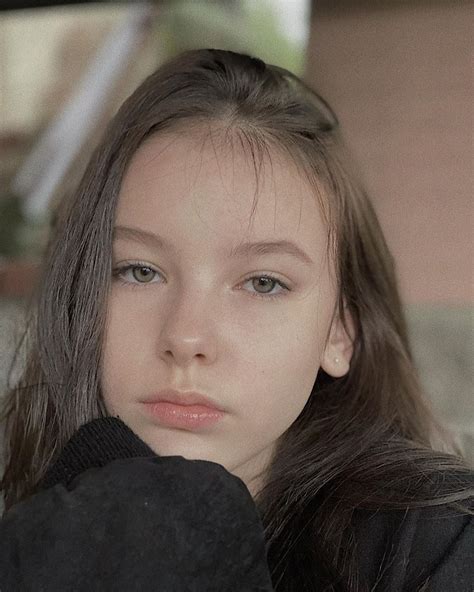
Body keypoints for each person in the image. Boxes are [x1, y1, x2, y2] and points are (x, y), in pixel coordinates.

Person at [0, 48, 472, 591]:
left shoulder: (439, 545)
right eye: (139, 271)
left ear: (339, 330)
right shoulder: (31, 522)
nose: (186, 337)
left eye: (263, 282)